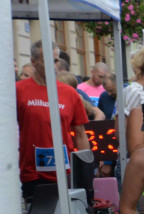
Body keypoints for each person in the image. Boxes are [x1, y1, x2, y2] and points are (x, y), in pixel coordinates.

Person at [16, 41, 89, 200]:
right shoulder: (18, 91)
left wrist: (86, 173)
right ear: (34, 62)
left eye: (55, 60)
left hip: (65, 172)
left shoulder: (70, 93)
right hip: (32, 174)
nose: (54, 65)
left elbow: (80, 134)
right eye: (47, 60)